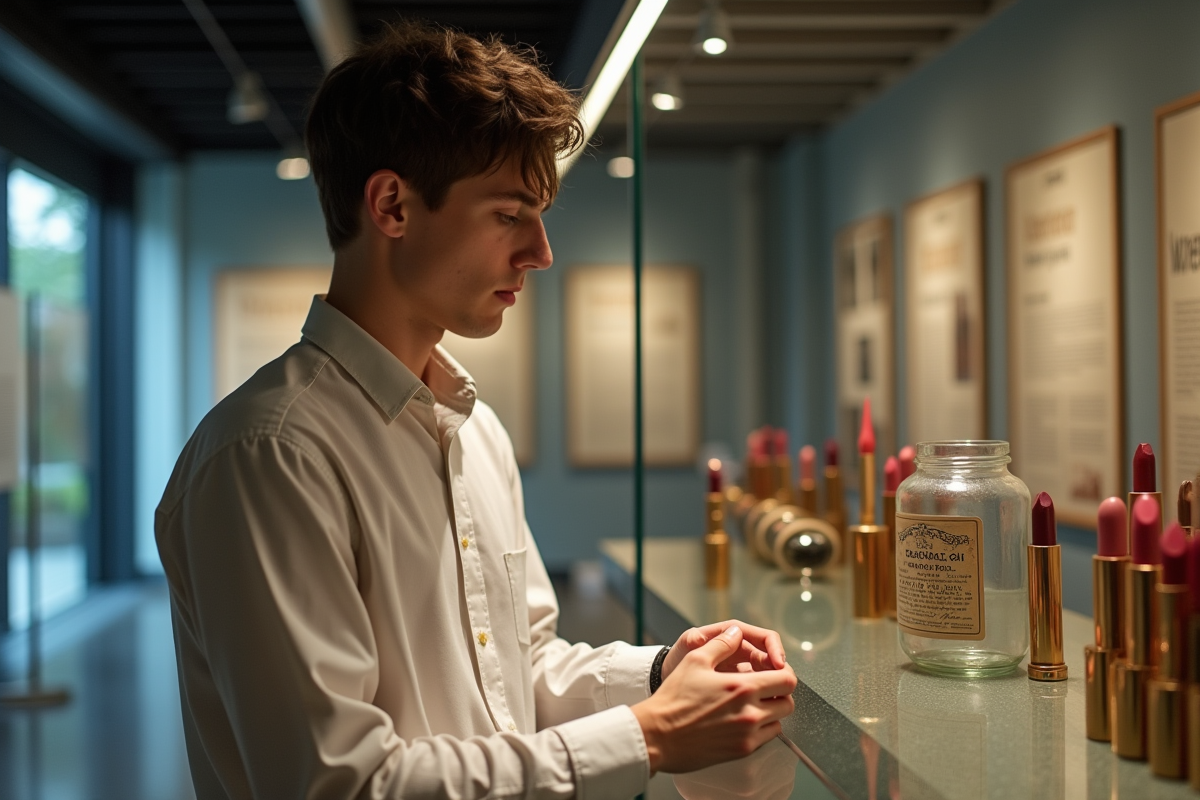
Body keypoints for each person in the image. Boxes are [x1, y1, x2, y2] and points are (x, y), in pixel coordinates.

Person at [156, 21, 797, 800]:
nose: (541, 252)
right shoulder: (270, 455)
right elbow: (340, 784)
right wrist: (650, 734)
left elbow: (518, 676)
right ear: (392, 205)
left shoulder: (471, 429)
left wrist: (663, 673)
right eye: (508, 213)